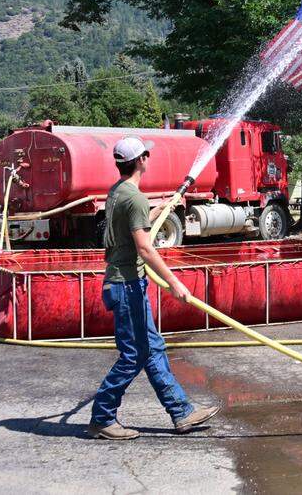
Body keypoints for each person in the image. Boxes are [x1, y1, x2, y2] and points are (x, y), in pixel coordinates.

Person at [87, 136, 220, 440]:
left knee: (153, 349)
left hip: (127, 283)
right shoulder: (133, 197)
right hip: (126, 286)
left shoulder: (119, 192)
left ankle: (182, 413)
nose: (148, 157)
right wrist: (175, 283)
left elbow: (132, 224)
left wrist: (159, 210)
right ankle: (102, 416)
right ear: (141, 160)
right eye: (146, 154)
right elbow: (145, 249)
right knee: (134, 355)